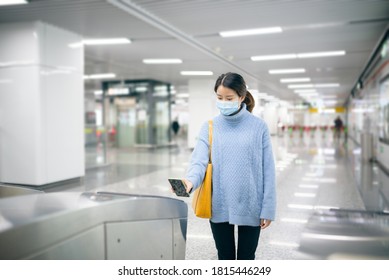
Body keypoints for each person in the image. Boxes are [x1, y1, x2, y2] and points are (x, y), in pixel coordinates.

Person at [183, 72, 276, 260]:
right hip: (219, 204)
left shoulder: (259, 127)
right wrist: (189, 181)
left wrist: (268, 208)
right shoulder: (210, 126)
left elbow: (268, 170)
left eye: (229, 98)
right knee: (224, 256)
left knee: (246, 258)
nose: (223, 102)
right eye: (219, 98)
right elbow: (198, 161)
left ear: (241, 97)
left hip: (251, 205)